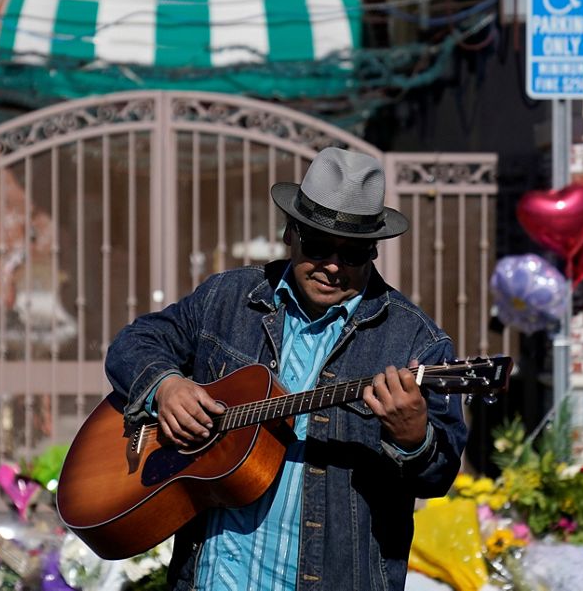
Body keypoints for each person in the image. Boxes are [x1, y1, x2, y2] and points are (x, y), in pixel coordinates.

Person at [104, 146, 468, 590]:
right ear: (290, 233)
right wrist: (166, 386)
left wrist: (414, 438)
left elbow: (439, 473)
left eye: (352, 253)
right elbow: (134, 343)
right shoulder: (228, 298)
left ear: (373, 250)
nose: (333, 266)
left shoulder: (417, 343)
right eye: (317, 246)